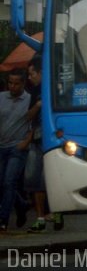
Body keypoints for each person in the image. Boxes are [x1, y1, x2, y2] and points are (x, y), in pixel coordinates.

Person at [25, 56, 63, 232]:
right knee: (33, 178)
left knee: (51, 178)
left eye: (32, 73)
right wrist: (39, 105)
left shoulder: (56, 87)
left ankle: (57, 212)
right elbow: (29, 116)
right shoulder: (34, 92)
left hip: (54, 138)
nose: (30, 77)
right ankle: (40, 217)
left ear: (41, 72)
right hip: (37, 139)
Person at [0, 69, 32, 231]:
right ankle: (21, 204)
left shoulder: (29, 100)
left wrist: (26, 142)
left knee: (9, 181)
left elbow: (35, 124)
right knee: (3, 184)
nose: (12, 86)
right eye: (10, 83)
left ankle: (3, 219)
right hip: (1, 145)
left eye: (16, 83)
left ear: (23, 83)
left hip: (17, 147)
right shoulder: (1, 98)